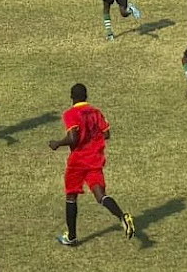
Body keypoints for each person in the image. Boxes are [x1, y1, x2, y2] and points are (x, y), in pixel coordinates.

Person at [49, 83, 135, 246]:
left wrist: (58, 143)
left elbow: (73, 138)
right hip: (95, 158)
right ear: (86, 96)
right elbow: (106, 133)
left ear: (72, 97)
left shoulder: (71, 114)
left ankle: (72, 237)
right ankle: (122, 216)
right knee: (100, 195)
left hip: (78, 161)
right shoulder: (96, 112)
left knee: (71, 196)